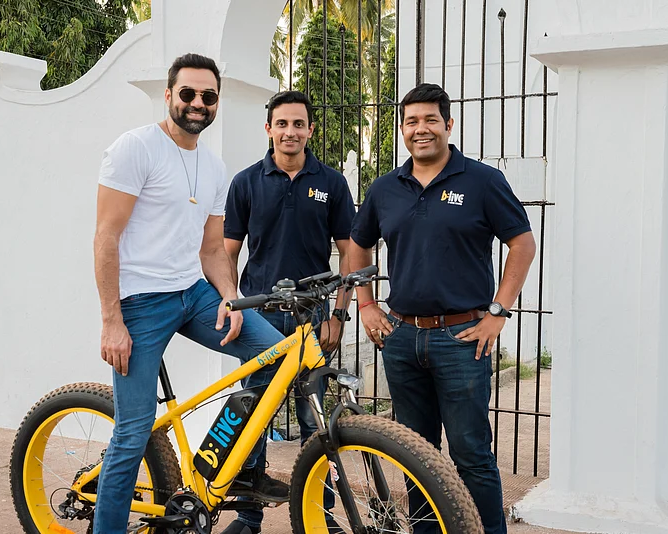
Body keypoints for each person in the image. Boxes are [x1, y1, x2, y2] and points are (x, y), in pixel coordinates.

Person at [93, 53, 288, 534]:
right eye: (188, 93)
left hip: (193, 293)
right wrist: (111, 321)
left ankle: (225, 463)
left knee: (278, 356)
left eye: (208, 96)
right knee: (133, 432)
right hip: (140, 304)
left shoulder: (213, 166)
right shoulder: (135, 148)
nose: (198, 103)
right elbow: (105, 238)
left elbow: (212, 249)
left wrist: (228, 295)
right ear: (169, 95)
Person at [348, 83, 537, 534]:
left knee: (471, 453)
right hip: (401, 337)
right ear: (402, 128)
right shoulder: (385, 188)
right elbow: (358, 245)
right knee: (417, 454)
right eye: (411, 121)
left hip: (462, 339)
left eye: (431, 120)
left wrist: (498, 312)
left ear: (448, 125)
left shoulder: (482, 181)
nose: (421, 129)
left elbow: (522, 244)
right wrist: (368, 303)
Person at [222, 90, 356, 534]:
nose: (290, 132)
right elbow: (227, 252)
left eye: (298, 124)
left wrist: (339, 313)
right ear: (269, 129)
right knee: (251, 417)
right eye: (282, 124)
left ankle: (323, 516)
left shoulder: (332, 183)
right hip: (260, 315)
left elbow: (348, 254)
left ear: (310, 130)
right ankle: (247, 516)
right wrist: (231, 302)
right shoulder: (246, 182)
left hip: (313, 318)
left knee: (315, 420)